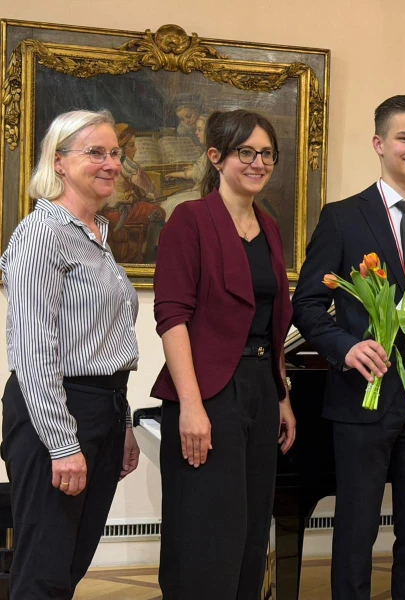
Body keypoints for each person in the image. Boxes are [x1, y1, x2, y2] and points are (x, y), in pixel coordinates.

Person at [292, 95, 405, 600]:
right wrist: (345, 347)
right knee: (354, 533)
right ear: (379, 143)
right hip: (361, 397)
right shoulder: (342, 217)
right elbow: (306, 305)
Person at [151, 109, 296, 599]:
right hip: (208, 391)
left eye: (267, 154)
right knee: (208, 531)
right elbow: (171, 318)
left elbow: (272, 319)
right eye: (246, 153)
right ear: (216, 158)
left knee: (253, 530)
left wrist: (281, 394)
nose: (258, 163)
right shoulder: (188, 220)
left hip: (259, 386)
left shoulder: (270, 228)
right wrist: (191, 405)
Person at [0, 109, 140, 598]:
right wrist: (62, 443)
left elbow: (108, 342)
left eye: (115, 153)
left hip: (102, 407)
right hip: (55, 411)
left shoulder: (97, 235)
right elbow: (35, 354)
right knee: (45, 570)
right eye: (95, 152)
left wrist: (120, 425)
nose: (110, 163)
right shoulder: (42, 234)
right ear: (58, 162)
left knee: (71, 562)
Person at [102, 123, 165, 263]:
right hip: (122, 212)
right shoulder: (128, 165)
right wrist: (153, 193)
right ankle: (149, 258)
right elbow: (148, 188)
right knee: (159, 211)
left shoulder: (104, 161)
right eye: (131, 145)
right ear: (122, 149)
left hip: (107, 211)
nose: (135, 149)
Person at [162, 114, 208, 219]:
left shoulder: (211, 153)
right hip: (204, 192)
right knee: (171, 200)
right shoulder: (208, 152)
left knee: (171, 203)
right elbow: (202, 170)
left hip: (206, 195)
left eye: (200, 130)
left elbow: (197, 174)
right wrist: (194, 168)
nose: (196, 133)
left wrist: (174, 174)